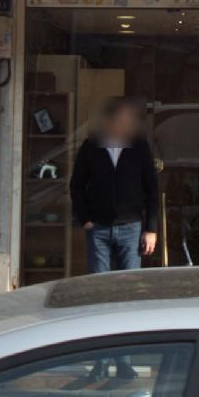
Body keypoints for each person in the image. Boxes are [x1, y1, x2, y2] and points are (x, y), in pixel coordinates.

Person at [69, 97, 158, 274]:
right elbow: (77, 184)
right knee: (99, 281)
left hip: (131, 226)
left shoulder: (139, 146)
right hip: (98, 227)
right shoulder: (91, 146)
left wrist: (151, 229)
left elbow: (151, 187)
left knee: (129, 281)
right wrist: (84, 218)